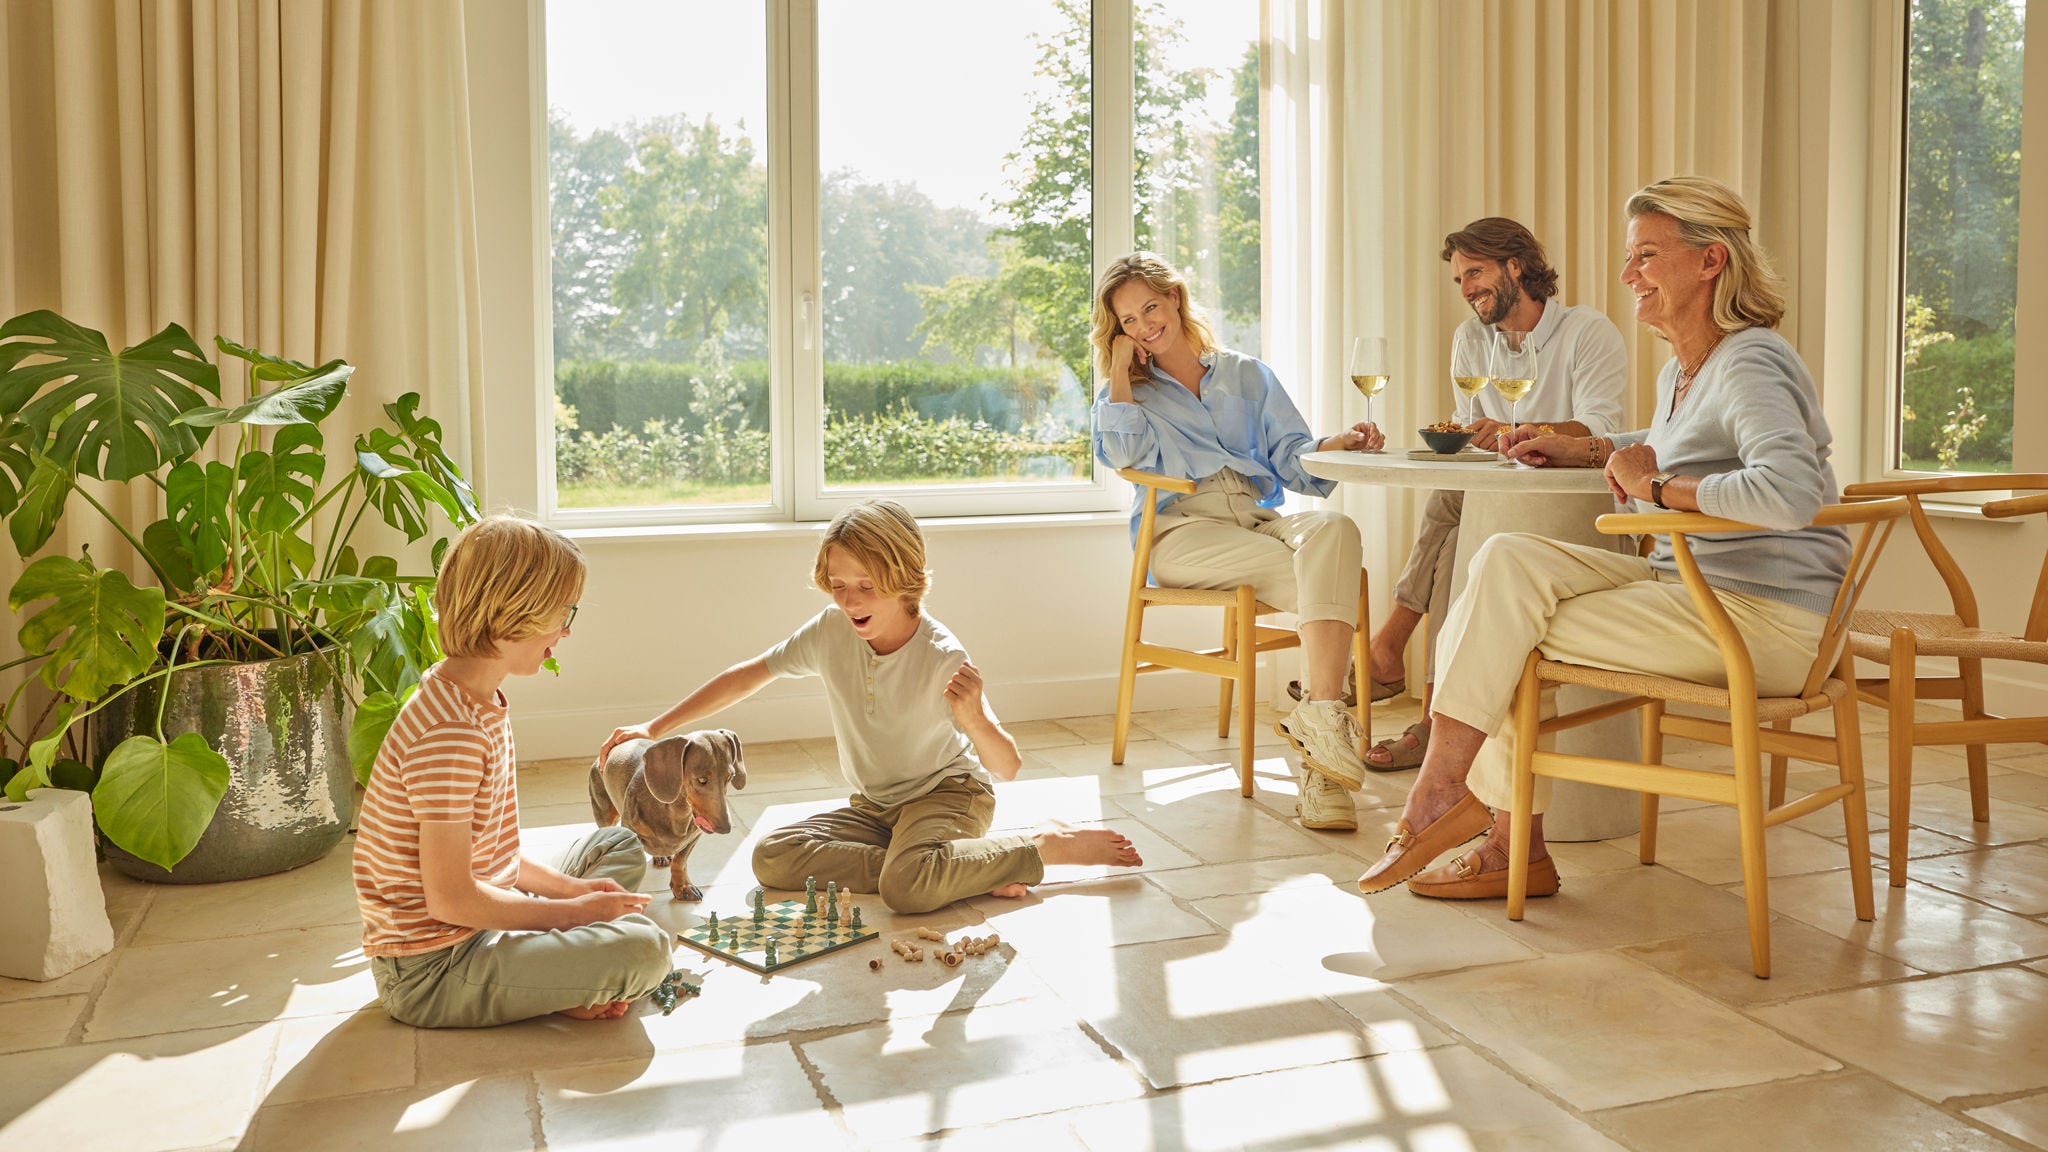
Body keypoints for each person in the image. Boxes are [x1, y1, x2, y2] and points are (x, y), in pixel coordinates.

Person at [1357, 175, 1851, 900]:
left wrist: (1653, 487)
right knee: (1506, 562)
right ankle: (1473, 816)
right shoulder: (1690, 370)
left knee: (1511, 620)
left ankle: (1481, 824)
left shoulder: (1751, 360)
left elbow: (1786, 493)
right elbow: (1665, 443)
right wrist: (1584, 449)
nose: (1628, 277)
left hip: (1766, 619)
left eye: (1646, 256)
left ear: (1710, 261)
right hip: (1696, 592)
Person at [598, 499, 1142, 915]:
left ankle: (1042, 846)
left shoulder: (941, 656)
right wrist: (654, 725)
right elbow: (747, 676)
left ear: (904, 579)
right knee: (770, 858)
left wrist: (974, 718)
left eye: (866, 585)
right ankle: (957, 868)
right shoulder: (832, 630)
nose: (850, 600)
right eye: (838, 585)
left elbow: (1007, 767)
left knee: (905, 892)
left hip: (949, 797)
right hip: (875, 808)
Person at [1090, 252, 1384, 833]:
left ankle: (1318, 717)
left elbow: (1295, 461)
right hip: (1182, 531)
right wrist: (1120, 371)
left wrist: (1340, 444)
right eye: (1128, 320)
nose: (1146, 324)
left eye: (1151, 307)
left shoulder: (1248, 374)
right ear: (1118, 332)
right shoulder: (1126, 393)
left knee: (1335, 530)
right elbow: (1122, 456)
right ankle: (1324, 754)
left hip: (1254, 517)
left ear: (1174, 298)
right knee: (1328, 578)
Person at [355, 515, 673, 1028]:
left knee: (618, 846)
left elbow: (492, 855)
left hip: (479, 922)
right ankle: (551, 973)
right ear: (512, 613)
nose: (566, 629)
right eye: (563, 612)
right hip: (434, 969)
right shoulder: (449, 735)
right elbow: (451, 897)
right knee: (646, 953)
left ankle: (547, 973)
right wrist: (574, 914)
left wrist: (576, 894)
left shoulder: (469, 695)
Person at [1347, 218, 1626, 774]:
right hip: (1493, 491)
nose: (1467, 288)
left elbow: (1603, 427)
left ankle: (1393, 652)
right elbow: (1472, 428)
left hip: (1571, 497)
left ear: (1515, 267)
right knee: (1457, 523)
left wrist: (1528, 431)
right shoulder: (1471, 340)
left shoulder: (1586, 331)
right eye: (1459, 279)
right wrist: (1484, 435)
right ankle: (1428, 711)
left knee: (1454, 501)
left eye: (1475, 272)